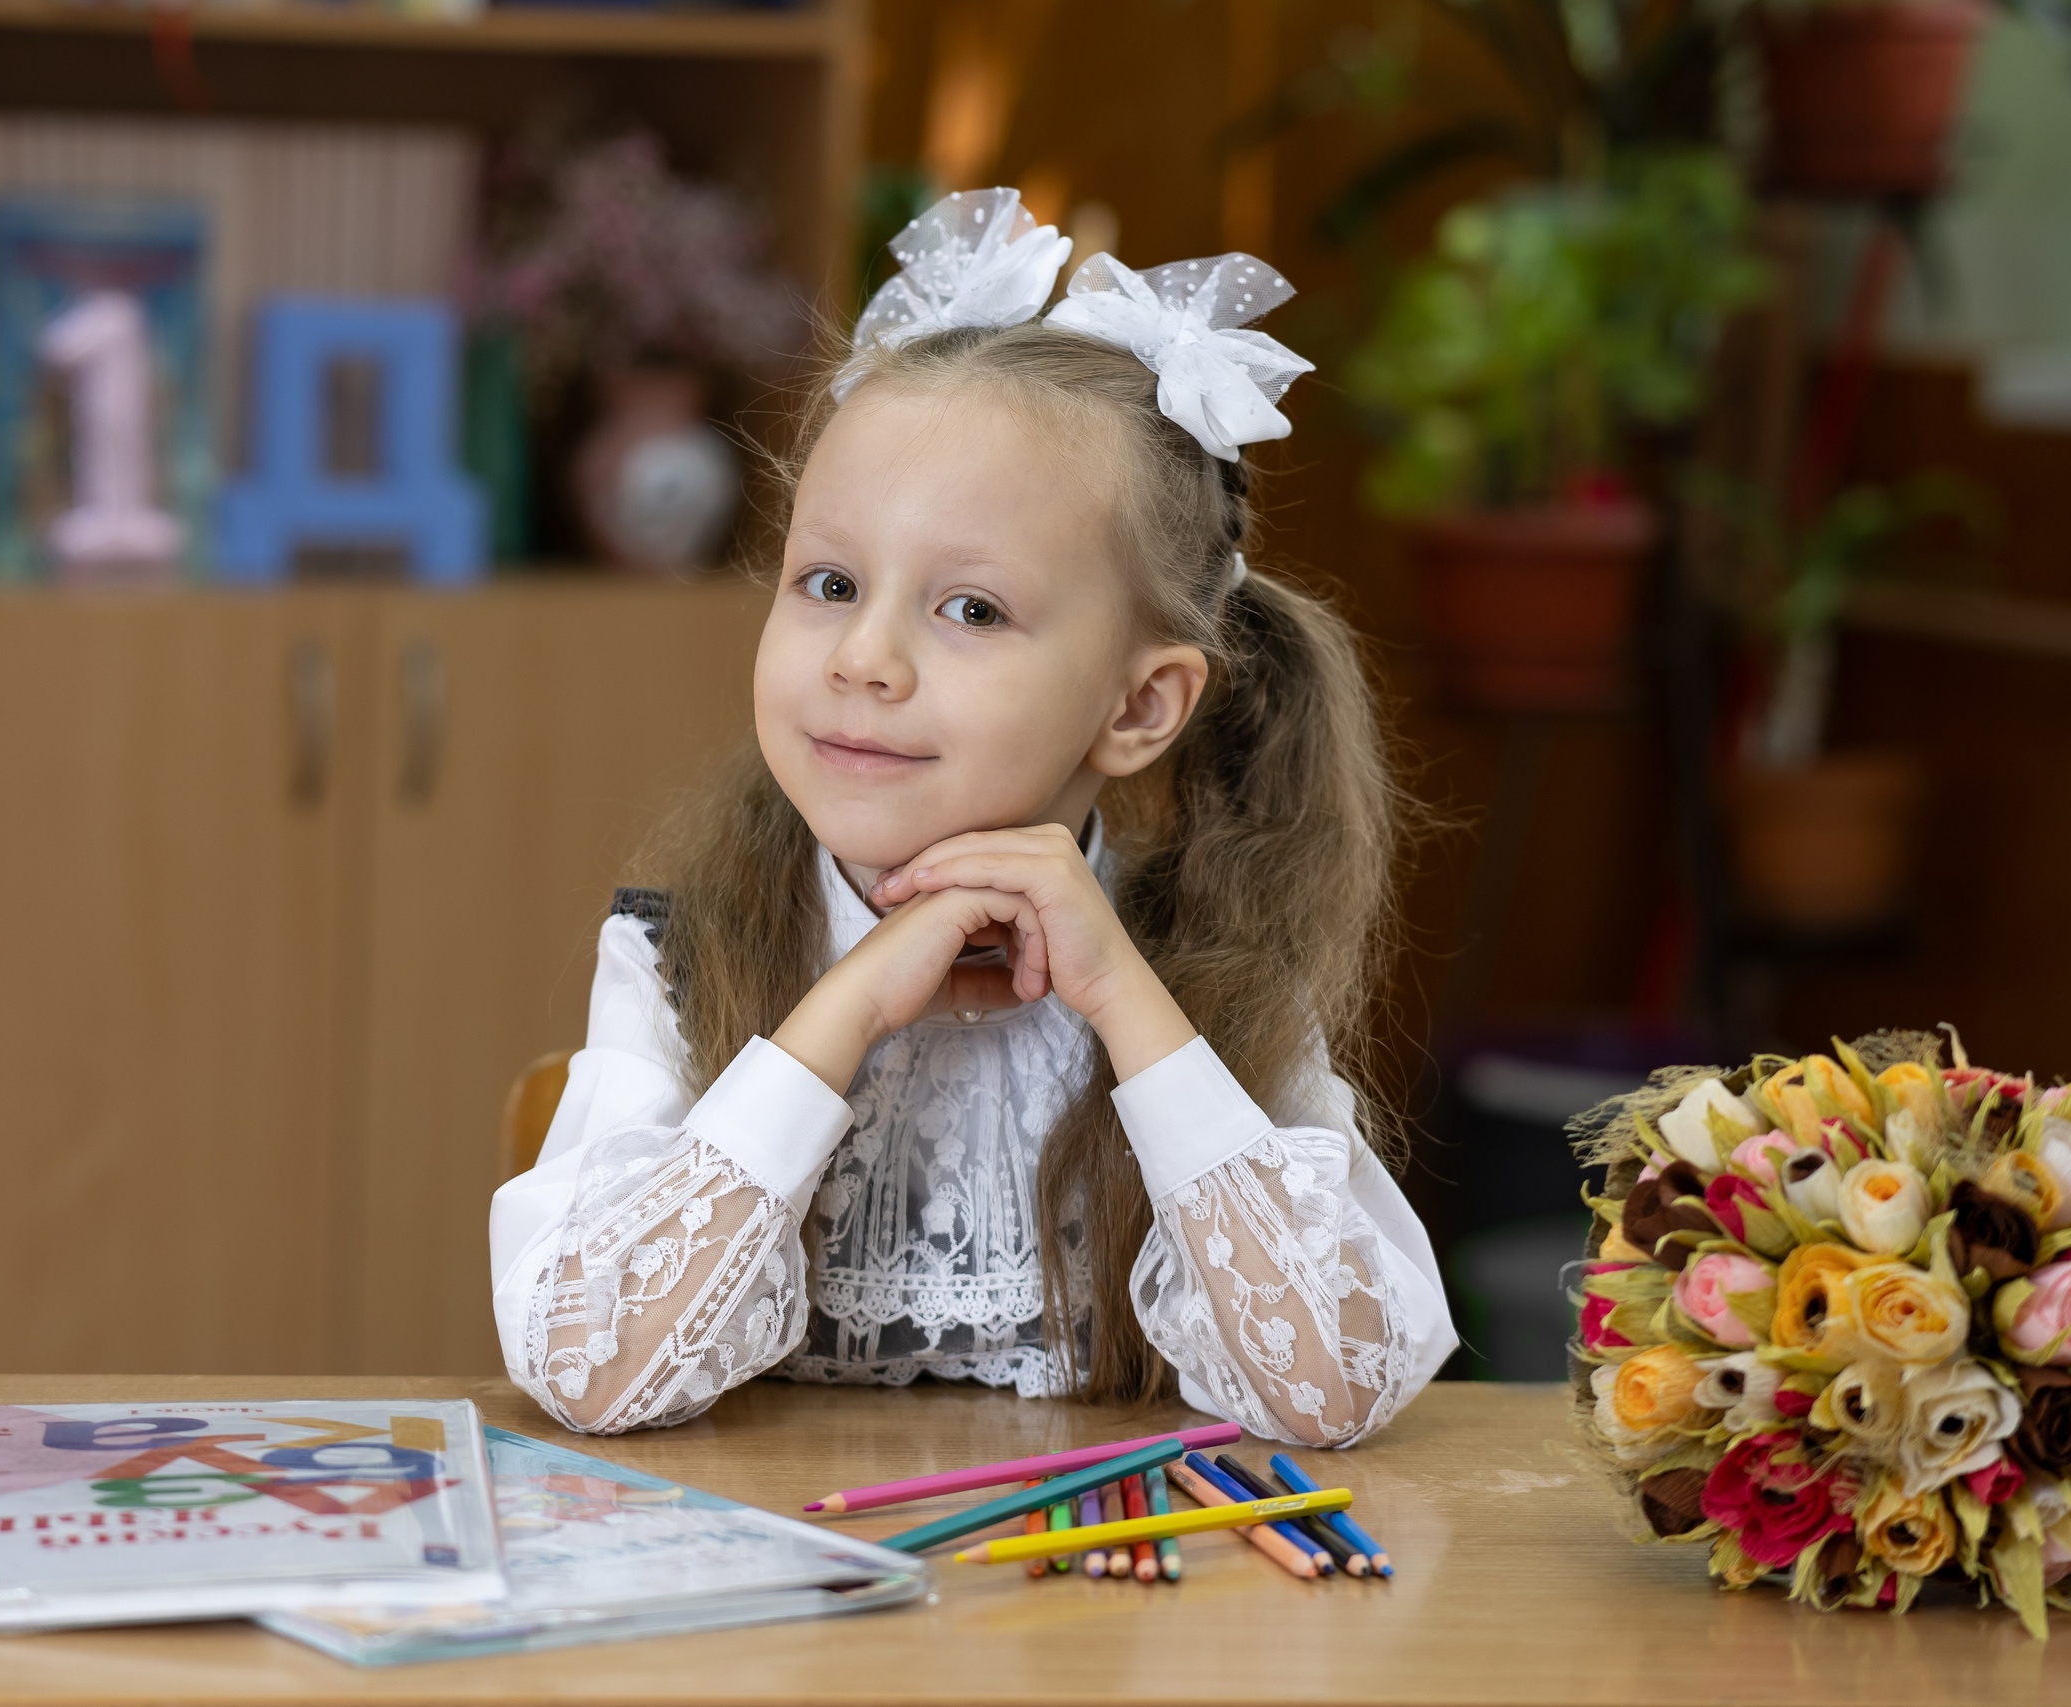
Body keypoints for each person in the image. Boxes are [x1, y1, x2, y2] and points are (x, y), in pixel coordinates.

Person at [489, 188, 1457, 1444]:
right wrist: (847, 1010)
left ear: (1140, 704)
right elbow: (591, 1372)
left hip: (1102, 1622)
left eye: (971, 611)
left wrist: (1127, 1005)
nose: (864, 659)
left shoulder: (1218, 969)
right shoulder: (678, 952)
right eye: (829, 583)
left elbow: (1328, 1389)